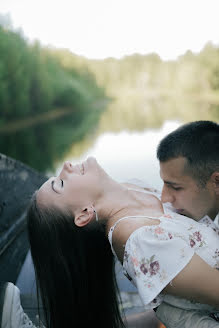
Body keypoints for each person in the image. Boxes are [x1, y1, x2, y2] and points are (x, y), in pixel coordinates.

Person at [23, 156, 219, 328]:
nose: (66, 165)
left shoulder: (132, 188)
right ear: (84, 213)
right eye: (61, 184)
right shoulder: (141, 240)